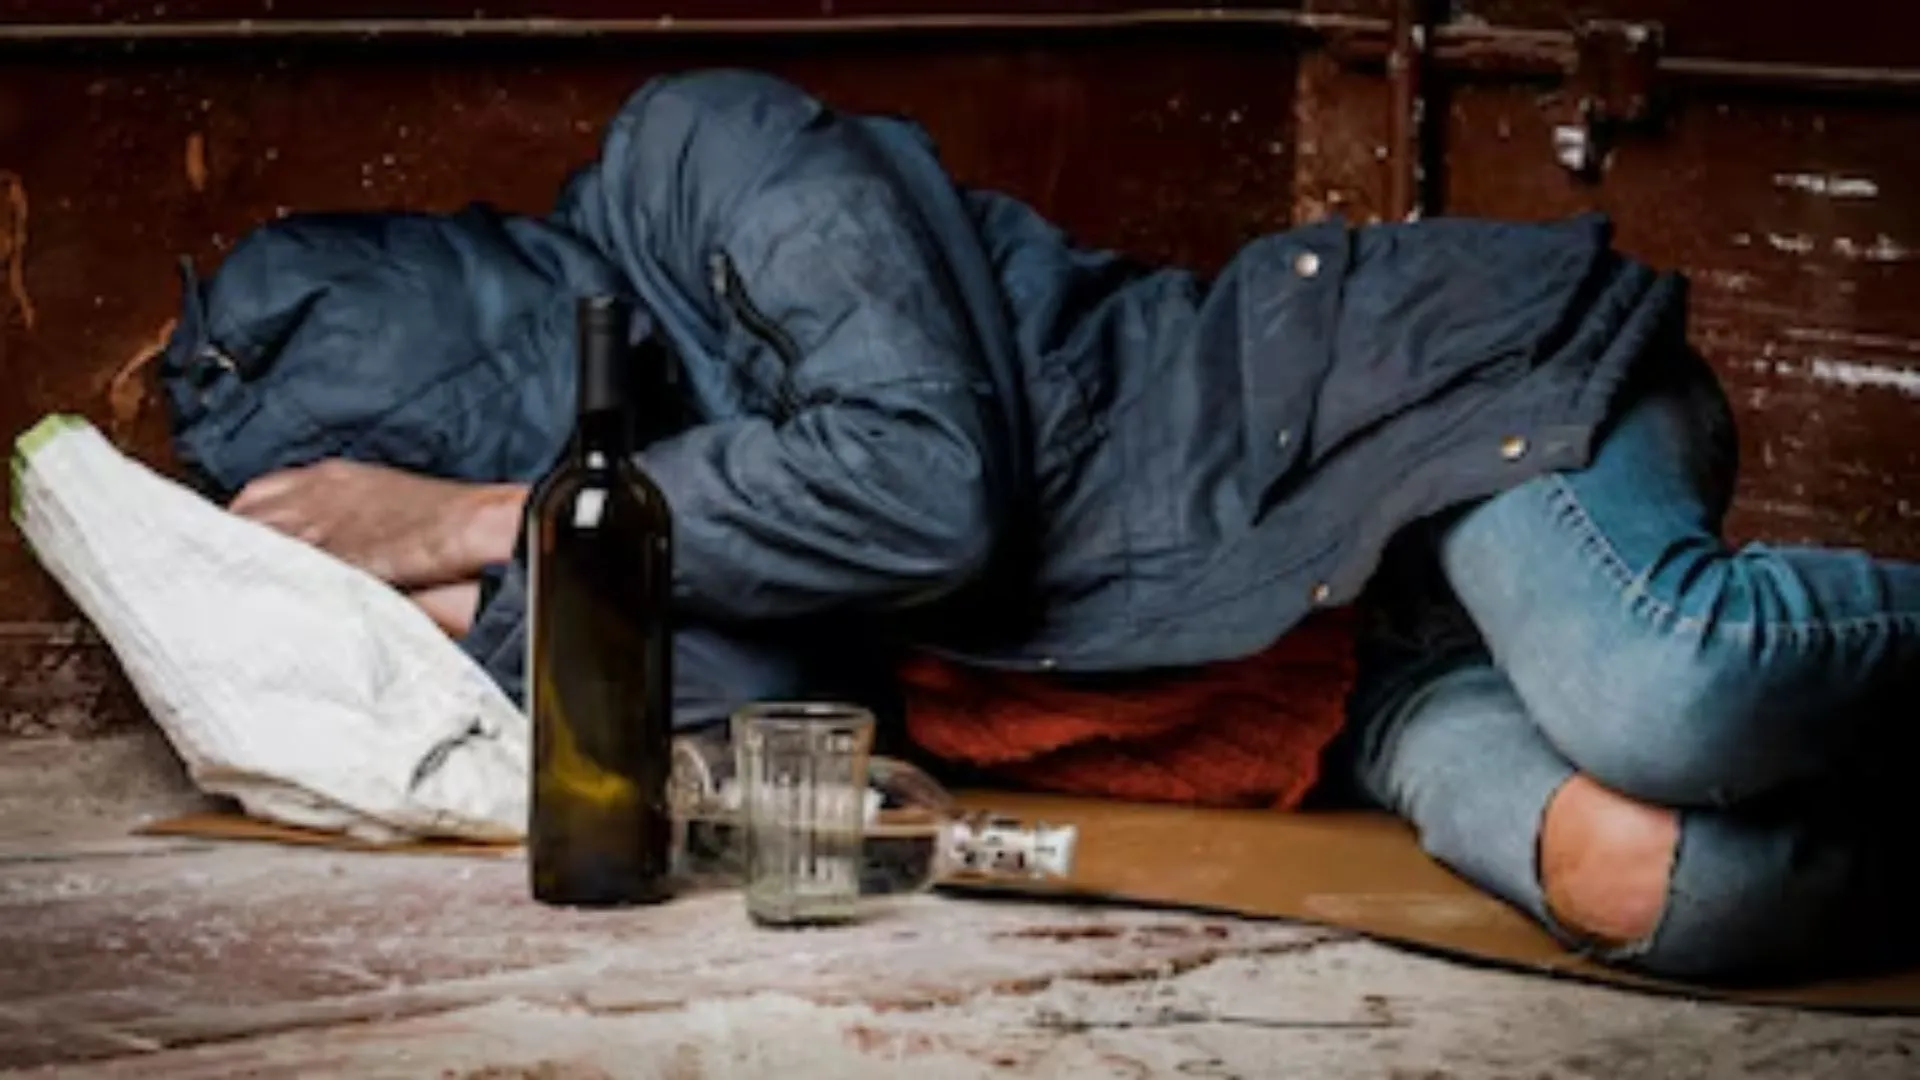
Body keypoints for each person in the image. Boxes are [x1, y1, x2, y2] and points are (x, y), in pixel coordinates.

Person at [163, 69, 1918, 983]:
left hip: (1414, 422)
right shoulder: (613, 546)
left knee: (1667, 694)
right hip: (1335, 699)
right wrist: (503, 580)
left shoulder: (703, 159)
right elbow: (759, 733)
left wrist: (493, 519)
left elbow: (922, 480)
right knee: (1660, 886)